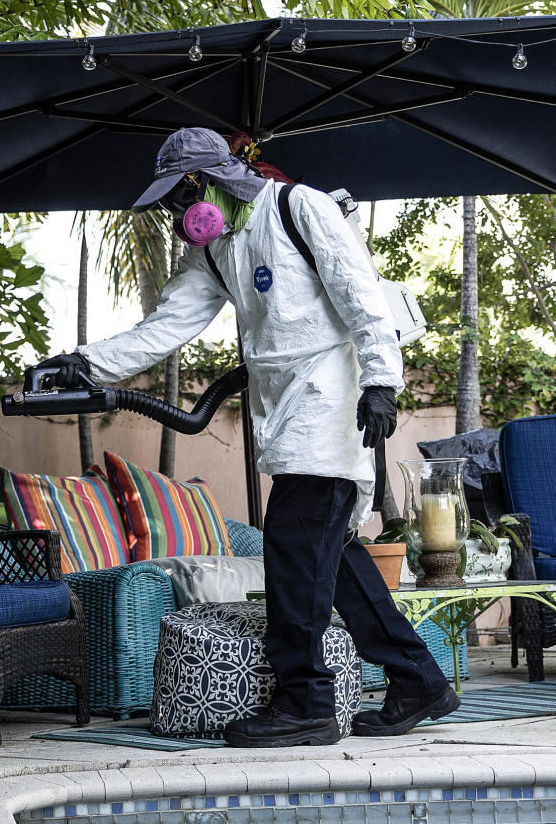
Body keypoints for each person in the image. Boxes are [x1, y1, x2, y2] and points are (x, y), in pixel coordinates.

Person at [29, 127, 458, 748]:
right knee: (331, 558)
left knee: (290, 549)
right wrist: (82, 363)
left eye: (181, 197)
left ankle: (304, 702)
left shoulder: (298, 207)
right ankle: (417, 678)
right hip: (282, 411)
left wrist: (382, 382)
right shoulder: (214, 251)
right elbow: (165, 325)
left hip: (335, 404)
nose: (178, 214)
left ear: (211, 181)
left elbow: (360, 294)